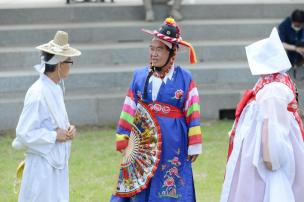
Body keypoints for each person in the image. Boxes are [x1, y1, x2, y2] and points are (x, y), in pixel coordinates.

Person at [110, 17, 202, 201]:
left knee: (169, 184)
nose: (153, 53)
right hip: (143, 142)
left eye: (159, 49)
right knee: (138, 184)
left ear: (172, 52)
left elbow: (193, 110)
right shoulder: (139, 76)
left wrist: (194, 144)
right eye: (151, 48)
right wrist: (122, 135)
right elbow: (129, 107)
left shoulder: (185, 78)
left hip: (174, 141)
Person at [220, 28, 304, 202]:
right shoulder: (276, 81)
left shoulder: (272, 89)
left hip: (267, 147)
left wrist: (270, 156)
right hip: (265, 140)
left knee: (268, 187)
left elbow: (272, 124)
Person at [12, 30, 81, 202]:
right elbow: (23, 133)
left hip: (55, 163)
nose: (71, 65)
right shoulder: (38, 93)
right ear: (59, 65)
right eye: (69, 61)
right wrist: (54, 135)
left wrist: (68, 130)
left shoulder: (55, 87)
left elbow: (53, 122)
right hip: (42, 166)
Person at [278, 9, 304, 79]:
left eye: (299, 25)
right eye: (296, 25)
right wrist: (295, 48)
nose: (298, 27)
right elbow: (281, 43)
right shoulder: (284, 25)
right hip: (289, 51)